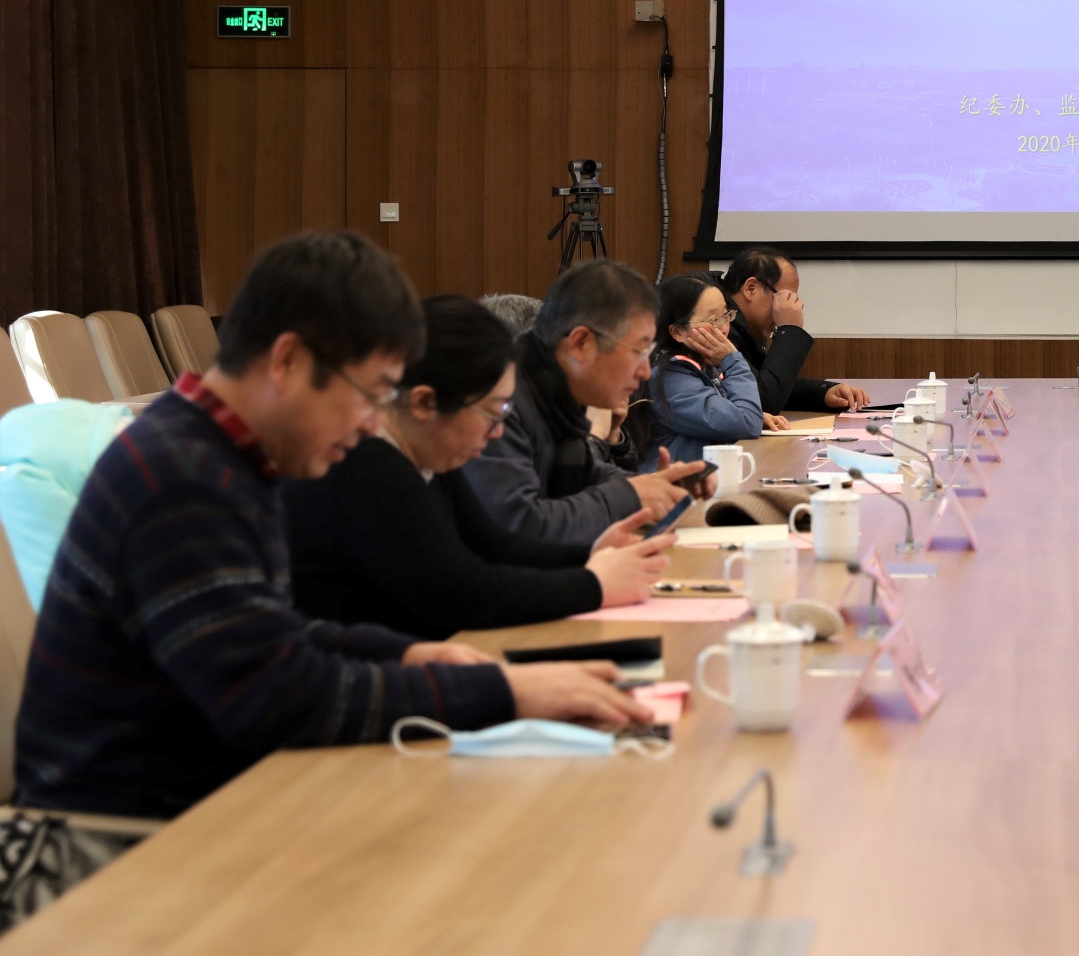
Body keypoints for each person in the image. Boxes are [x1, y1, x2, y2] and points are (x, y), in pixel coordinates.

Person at [15, 232, 651, 824]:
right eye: (370, 394)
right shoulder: (181, 477)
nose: (373, 424)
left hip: (204, 801)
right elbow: (274, 698)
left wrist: (402, 654)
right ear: (289, 361)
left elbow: (272, 632)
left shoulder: (218, 454)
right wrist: (496, 691)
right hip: (115, 843)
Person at [286, 295, 671, 638]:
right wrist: (594, 584)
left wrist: (590, 553)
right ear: (424, 404)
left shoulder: (431, 454)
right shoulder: (369, 463)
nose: (498, 431)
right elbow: (461, 593)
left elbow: (494, 544)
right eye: (493, 411)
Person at [462, 260, 715, 545]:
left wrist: (651, 485)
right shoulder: (497, 401)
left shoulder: (552, 385)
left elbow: (581, 473)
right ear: (581, 343)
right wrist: (631, 495)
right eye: (639, 351)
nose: (645, 371)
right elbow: (519, 525)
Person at [722, 247, 870, 413]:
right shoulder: (719, 327)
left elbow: (764, 383)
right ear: (751, 288)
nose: (791, 307)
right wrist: (790, 330)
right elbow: (763, 400)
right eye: (784, 298)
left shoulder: (747, 327)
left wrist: (823, 393)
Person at [643, 272, 765, 469]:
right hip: (676, 485)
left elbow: (744, 417)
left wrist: (750, 413)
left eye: (725, 315)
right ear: (677, 331)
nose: (724, 329)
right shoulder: (669, 377)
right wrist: (733, 362)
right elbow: (748, 423)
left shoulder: (702, 364)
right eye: (713, 320)